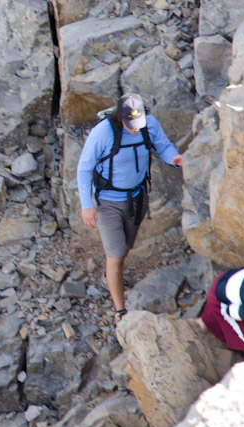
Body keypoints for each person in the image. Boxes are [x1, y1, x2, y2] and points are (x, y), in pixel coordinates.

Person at [76, 93, 183, 322]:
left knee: (124, 250)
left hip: (137, 198)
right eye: (130, 125)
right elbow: (84, 169)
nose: (135, 130)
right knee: (114, 257)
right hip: (109, 203)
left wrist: (174, 158)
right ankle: (120, 311)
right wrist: (87, 206)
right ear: (119, 117)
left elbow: (162, 145)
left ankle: (117, 270)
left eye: (138, 125)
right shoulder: (103, 133)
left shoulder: (148, 124)